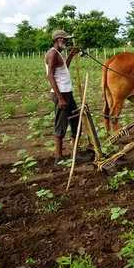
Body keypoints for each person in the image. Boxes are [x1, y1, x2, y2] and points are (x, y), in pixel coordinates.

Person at [45, 30, 90, 166]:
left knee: (76, 120)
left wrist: (71, 54)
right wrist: (60, 98)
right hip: (61, 94)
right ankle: (59, 157)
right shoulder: (52, 53)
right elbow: (50, 75)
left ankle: (75, 152)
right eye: (65, 40)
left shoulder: (58, 53)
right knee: (61, 124)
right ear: (58, 40)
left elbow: (64, 68)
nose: (67, 42)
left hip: (67, 92)